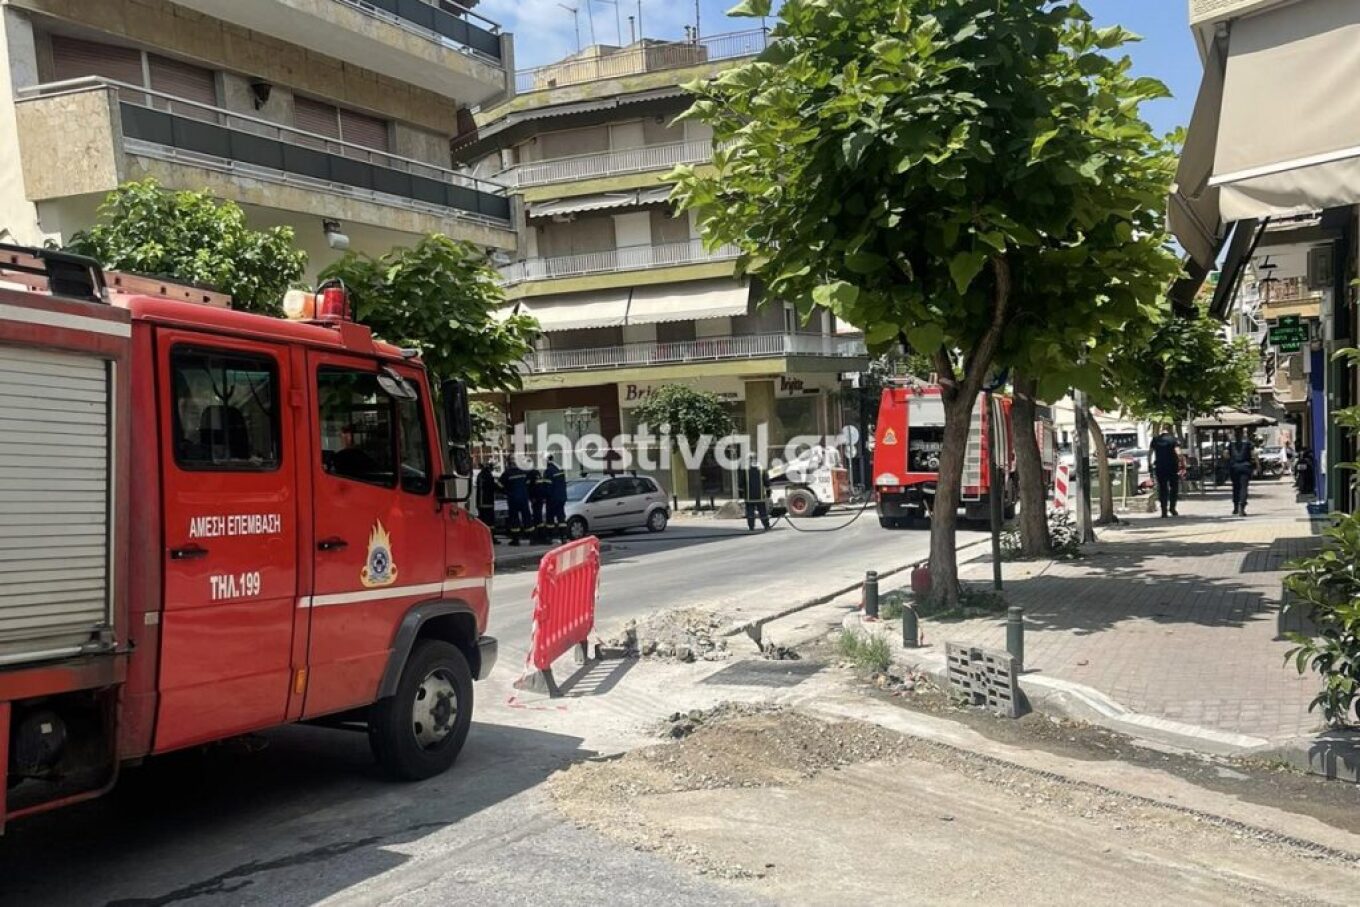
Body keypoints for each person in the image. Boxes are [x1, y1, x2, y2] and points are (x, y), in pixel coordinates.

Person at [1147, 426, 1183, 518]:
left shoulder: (1155, 440)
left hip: (1160, 466)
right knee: (1174, 487)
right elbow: (1178, 453)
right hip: (1172, 467)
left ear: (1161, 430)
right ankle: (1172, 508)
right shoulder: (1173, 440)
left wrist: (1149, 464)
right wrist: (1182, 463)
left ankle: (1164, 511)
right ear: (1171, 430)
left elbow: (1150, 453)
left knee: (1163, 488)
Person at [499, 459, 532, 545]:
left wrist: (505, 491)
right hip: (524, 498)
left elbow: (499, 484)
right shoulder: (523, 472)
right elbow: (529, 483)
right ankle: (531, 538)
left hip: (513, 499)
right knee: (526, 517)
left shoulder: (507, 473)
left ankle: (516, 540)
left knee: (514, 519)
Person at [737, 455, 771, 531]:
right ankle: (766, 526)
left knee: (750, 513)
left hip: (749, 497)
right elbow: (767, 481)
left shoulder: (745, 469)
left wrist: (740, 493)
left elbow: (741, 482)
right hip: (760, 496)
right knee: (763, 512)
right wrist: (768, 492)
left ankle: (751, 527)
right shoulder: (762, 469)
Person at [1228, 428, 1258, 516]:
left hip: (1234, 467)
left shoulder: (1231, 444)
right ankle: (1242, 506)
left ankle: (1235, 507)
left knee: (1235, 487)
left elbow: (1226, 455)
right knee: (1244, 487)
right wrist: (1257, 465)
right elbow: (1254, 454)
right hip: (1245, 467)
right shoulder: (1248, 443)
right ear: (1242, 433)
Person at [544, 455, 567, 539]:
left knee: (550, 518)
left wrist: (545, 497)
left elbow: (547, 487)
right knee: (561, 517)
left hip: (552, 498)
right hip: (561, 498)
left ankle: (549, 537)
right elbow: (564, 484)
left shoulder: (548, 471)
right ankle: (563, 537)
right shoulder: (560, 470)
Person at [475, 462, 499, 542]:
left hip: (480, 503)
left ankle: (482, 537)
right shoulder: (488, 476)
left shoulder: (480, 475)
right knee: (490, 521)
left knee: (482, 520)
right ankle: (491, 537)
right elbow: (494, 486)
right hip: (488, 502)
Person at [527, 462, 546, 543]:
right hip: (540, 498)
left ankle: (535, 538)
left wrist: (531, 497)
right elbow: (541, 487)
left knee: (536, 518)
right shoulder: (537, 473)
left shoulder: (530, 474)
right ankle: (541, 536)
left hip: (535, 499)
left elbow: (529, 487)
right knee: (539, 518)